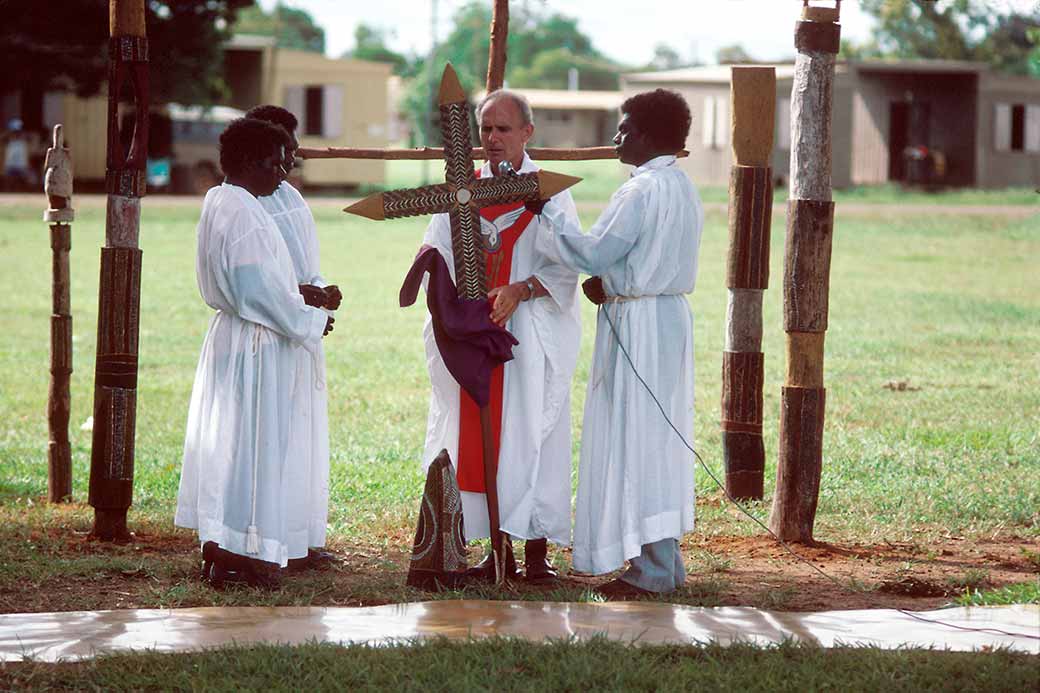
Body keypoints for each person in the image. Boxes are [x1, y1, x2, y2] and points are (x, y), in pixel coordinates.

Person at [532, 89, 703, 597]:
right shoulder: (682, 186)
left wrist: (546, 213)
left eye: (624, 128)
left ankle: (651, 570)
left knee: (637, 437)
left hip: (639, 322)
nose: (616, 137)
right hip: (665, 316)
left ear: (647, 136)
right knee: (658, 438)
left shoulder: (640, 191)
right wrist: (612, 283)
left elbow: (594, 253)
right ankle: (663, 562)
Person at [419, 90, 582, 583]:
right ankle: (497, 550)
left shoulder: (549, 191)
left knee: (531, 435)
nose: (491, 138)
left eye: (503, 129)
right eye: (485, 128)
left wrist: (522, 289)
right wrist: (459, 304)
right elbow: (436, 252)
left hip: (530, 337)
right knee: (480, 439)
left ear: (527, 133)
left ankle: (534, 555)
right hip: (475, 338)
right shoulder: (463, 190)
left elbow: (569, 262)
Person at [174, 118, 334, 588]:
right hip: (257, 341)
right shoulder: (240, 210)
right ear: (247, 162)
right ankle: (241, 551)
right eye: (276, 163)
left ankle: (232, 548)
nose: (283, 174)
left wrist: (300, 295)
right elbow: (257, 290)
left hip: (243, 336)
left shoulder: (225, 200)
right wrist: (312, 318)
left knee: (236, 445)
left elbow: (263, 282)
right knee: (251, 449)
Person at [245, 104, 341, 571]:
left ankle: (299, 539)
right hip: (267, 331)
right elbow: (258, 279)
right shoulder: (246, 200)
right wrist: (298, 299)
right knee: (268, 436)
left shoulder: (292, 197)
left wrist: (320, 294)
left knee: (301, 432)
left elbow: (307, 258)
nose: (294, 152)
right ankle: (263, 539)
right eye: (285, 142)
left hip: (303, 325)